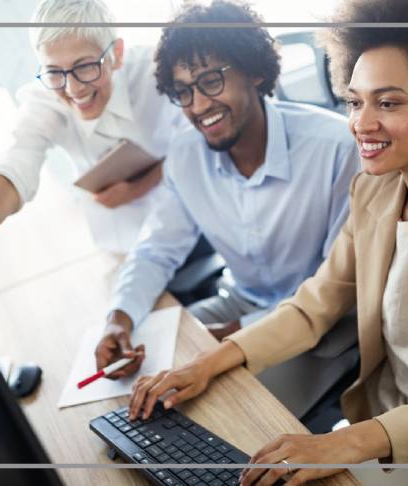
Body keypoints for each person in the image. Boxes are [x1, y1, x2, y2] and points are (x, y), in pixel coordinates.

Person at [128, 0, 408, 484]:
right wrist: (207, 362)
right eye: (355, 100)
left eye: (388, 103)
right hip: (377, 418)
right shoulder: (375, 191)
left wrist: (340, 442)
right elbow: (314, 305)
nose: (362, 124)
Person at [95, 0, 359, 386]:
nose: (199, 106)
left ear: (253, 71)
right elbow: (156, 249)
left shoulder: (336, 150)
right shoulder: (186, 153)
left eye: (211, 81)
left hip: (322, 325)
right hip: (241, 299)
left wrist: (229, 338)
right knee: (137, 376)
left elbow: (334, 294)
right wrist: (119, 318)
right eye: (183, 91)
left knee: (212, 413)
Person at [0, 0, 187, 292]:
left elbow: (201, 144)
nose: (74, 89)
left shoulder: (157, 73)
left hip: (187, 231)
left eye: (85, 66)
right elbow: (16, 161)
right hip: (120, 247)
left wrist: (146, 182)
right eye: (54, 71)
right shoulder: (47, 100)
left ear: (116, 54)